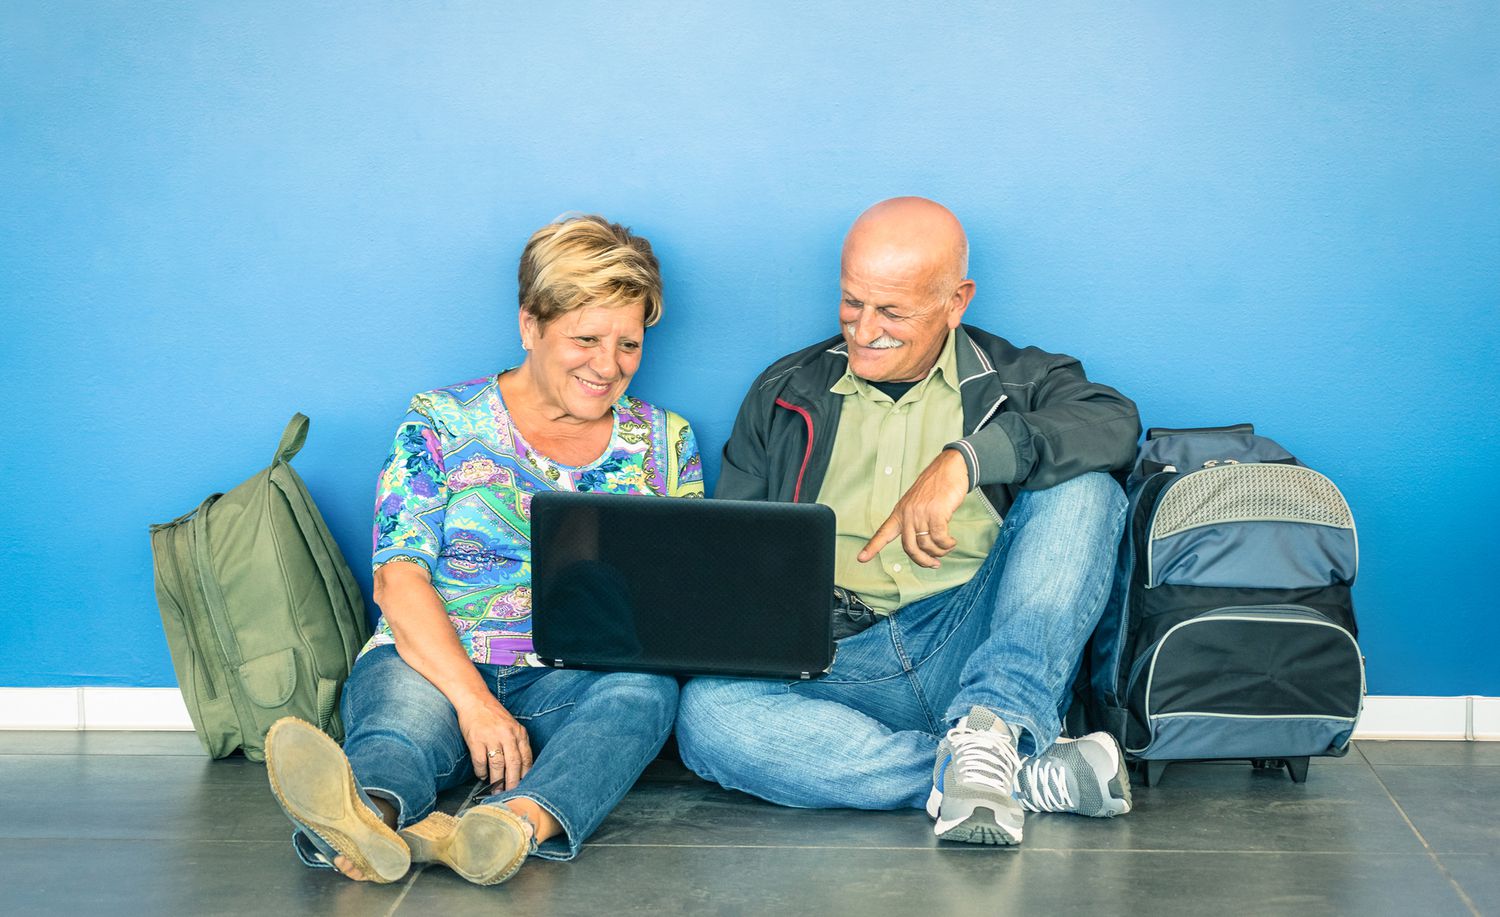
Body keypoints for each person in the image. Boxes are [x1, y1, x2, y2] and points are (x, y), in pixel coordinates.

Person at [675, 197, 1140, 846]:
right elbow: (731, 556)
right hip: (838, 662)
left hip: (974, 641)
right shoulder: (784, 393)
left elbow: (1113, 424)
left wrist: (966, 462)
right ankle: (1002, 775)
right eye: (852, 303)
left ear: (956, 301)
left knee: (1087, 485)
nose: (864, 329)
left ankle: (993, 724)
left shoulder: (1019, 379)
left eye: (892, 311)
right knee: (707, 714)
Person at [264, 214, 704, 885]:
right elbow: (398, 580)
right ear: (531, 325)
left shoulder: (664, 444)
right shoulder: (441, 421)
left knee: (643, 693)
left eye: (629, 344)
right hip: (438, 663)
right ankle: (366, 817)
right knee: (396, 731)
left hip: (573, 674)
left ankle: (509, 824)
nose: (609, 365)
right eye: (585, 338)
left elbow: (678, 596)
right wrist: (476, 704)